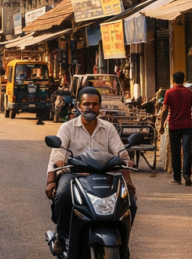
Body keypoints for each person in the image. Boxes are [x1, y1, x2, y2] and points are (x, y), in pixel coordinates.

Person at [45, 87, 135, 253]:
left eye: (94, 104)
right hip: (74, 174)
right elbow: (57, 151)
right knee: (62, 195)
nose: (90, 107)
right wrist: (52, 179)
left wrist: (127, 179)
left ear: (100, 107)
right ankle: (62, 235)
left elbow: (122, 153)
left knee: (130, 201)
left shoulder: (109, 128)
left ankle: (124, 240)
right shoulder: (67, 127)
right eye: (86, 104)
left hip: (105, 175)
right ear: (79, 105)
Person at [159, 71, 192, 186]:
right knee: (187, 151)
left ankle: (177, 177)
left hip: (174, 126)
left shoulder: (169, 92)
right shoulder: (190, 93)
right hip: (187, 126)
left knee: (175, 151)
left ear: (173, 80)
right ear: (184, 80)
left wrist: (161, 125)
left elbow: (165, 110)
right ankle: (186, 174)